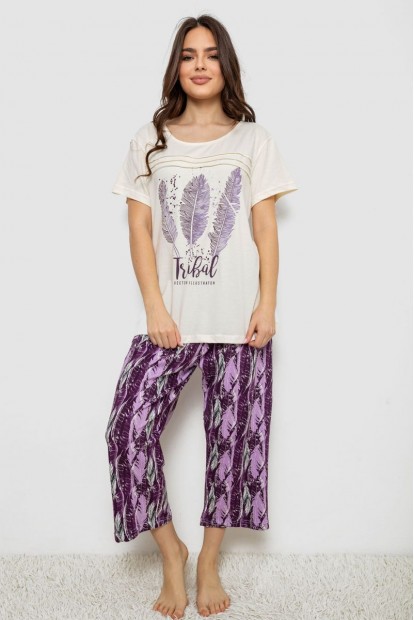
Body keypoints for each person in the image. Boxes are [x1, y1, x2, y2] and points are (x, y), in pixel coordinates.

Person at [105, 13, 299, 620]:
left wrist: (267, 303)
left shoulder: (253, 140)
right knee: (126, 431)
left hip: (239, 320)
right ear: (176, 66)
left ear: (225, 65)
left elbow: (264, 229)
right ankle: (172, 552)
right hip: (172, 321)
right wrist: (154, 308)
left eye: (211, 54)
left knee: (232, 446)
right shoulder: (150, 139)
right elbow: (140, 230)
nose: (199, 64)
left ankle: (209, 560)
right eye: (189, 54)